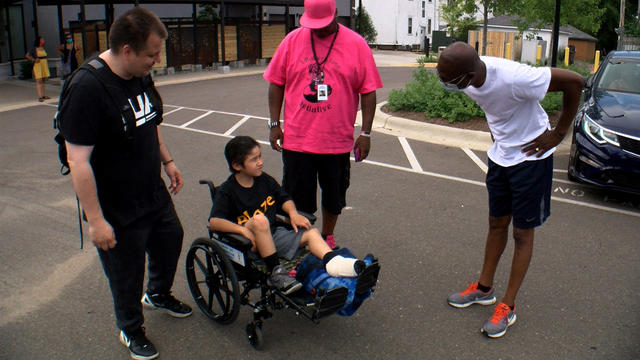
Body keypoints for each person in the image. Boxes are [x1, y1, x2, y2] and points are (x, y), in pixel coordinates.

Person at [59, 7, 191, 360]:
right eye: (152, 54)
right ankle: (130, 329)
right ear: (128, 50)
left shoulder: (139, 74)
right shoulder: (87, 89)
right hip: (115, 204)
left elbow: (150, 120)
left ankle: (158, 294)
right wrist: (97, 221)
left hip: (151, 190)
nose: (157, 61)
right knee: (126, 272)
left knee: (170, 239)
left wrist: (168, 160)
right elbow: (78, 161)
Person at [438, 42, 584, 338]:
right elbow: (495, 107)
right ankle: (484, 288)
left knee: (522, 233)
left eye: (449, 80)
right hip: (501, 156)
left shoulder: (518, 78)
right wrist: (499, 136)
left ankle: (508, 305)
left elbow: (575, 82)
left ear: (468, 74)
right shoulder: (468, 80)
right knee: (496, 224)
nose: (446, 85)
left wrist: (557, 134)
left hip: (532, 157)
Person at [264, 0, 383, 249]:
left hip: (336, 141)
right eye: (313, 25)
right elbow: (276, 82)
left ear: (335, 15)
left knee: (334, 196)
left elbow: (368, 91)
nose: (317, 30)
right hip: (298, 141)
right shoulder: (292, 41)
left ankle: (327, 236)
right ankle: (298, 240)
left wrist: (366, 133)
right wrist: (274, 123)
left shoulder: (356, 44)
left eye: (323, 25)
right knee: (297, 199)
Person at [210, 136, 369, 295]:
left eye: (260, 156)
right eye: (253, 159)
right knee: (260, 220)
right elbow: (214, 222)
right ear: (237, 165)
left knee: (312, 233)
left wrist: (293, 213)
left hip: (273, 235)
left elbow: (283, 198)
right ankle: (276, 273)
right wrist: (241, 230)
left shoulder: (263, 180)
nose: (260, 162)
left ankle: (336, 264)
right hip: (248, 244)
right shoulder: (227, 191)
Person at [25, 36, 50, 102]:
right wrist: (33, 60)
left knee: (43, 80)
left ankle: (43, 95)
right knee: (39, 80)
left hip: (44, 64)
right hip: (38, 65)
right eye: (42, 39)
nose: (43, 41)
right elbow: (27, 55)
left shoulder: (42, 48)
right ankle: (40, 97)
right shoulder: (34, 48)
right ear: (38, 41)